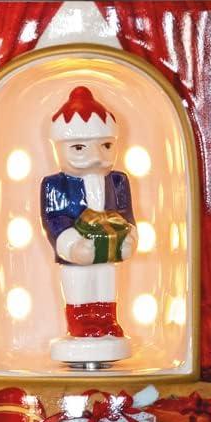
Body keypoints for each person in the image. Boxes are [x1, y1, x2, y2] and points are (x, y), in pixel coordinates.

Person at [40, 86, 137, 364]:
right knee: (79, 285)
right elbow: (53, 218)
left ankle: (106, 322)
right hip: (77, 253)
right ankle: (81, 324)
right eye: (80, 147)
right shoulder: (54, 184)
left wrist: (130, 236)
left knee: (106, 282)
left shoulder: (118, 181)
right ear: (59, 148)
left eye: (105, 146)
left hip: (108, 251)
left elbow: (126, 213)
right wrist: (71, 244)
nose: (96, 155)